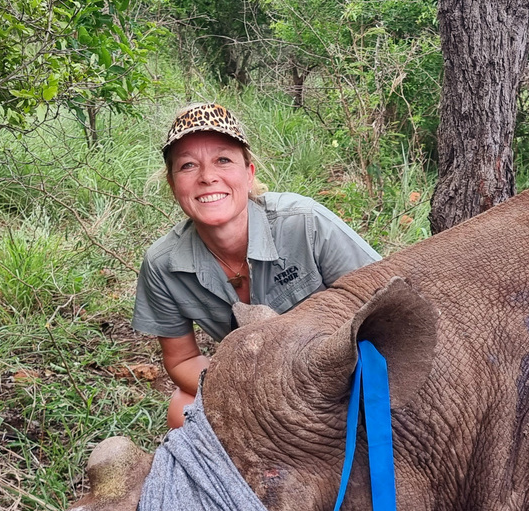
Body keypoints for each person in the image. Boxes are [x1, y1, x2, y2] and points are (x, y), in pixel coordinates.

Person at [133, 102, 381, 428]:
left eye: (223, 160)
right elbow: (183, 360)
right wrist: (244, 384)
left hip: (341, 367)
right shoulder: (162, 264)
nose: (208, 177)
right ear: (173, 184)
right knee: (182, 408)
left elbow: (381, 302)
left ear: (248, 174)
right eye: (188, 165)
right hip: (252, 378)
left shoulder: (304, 222)